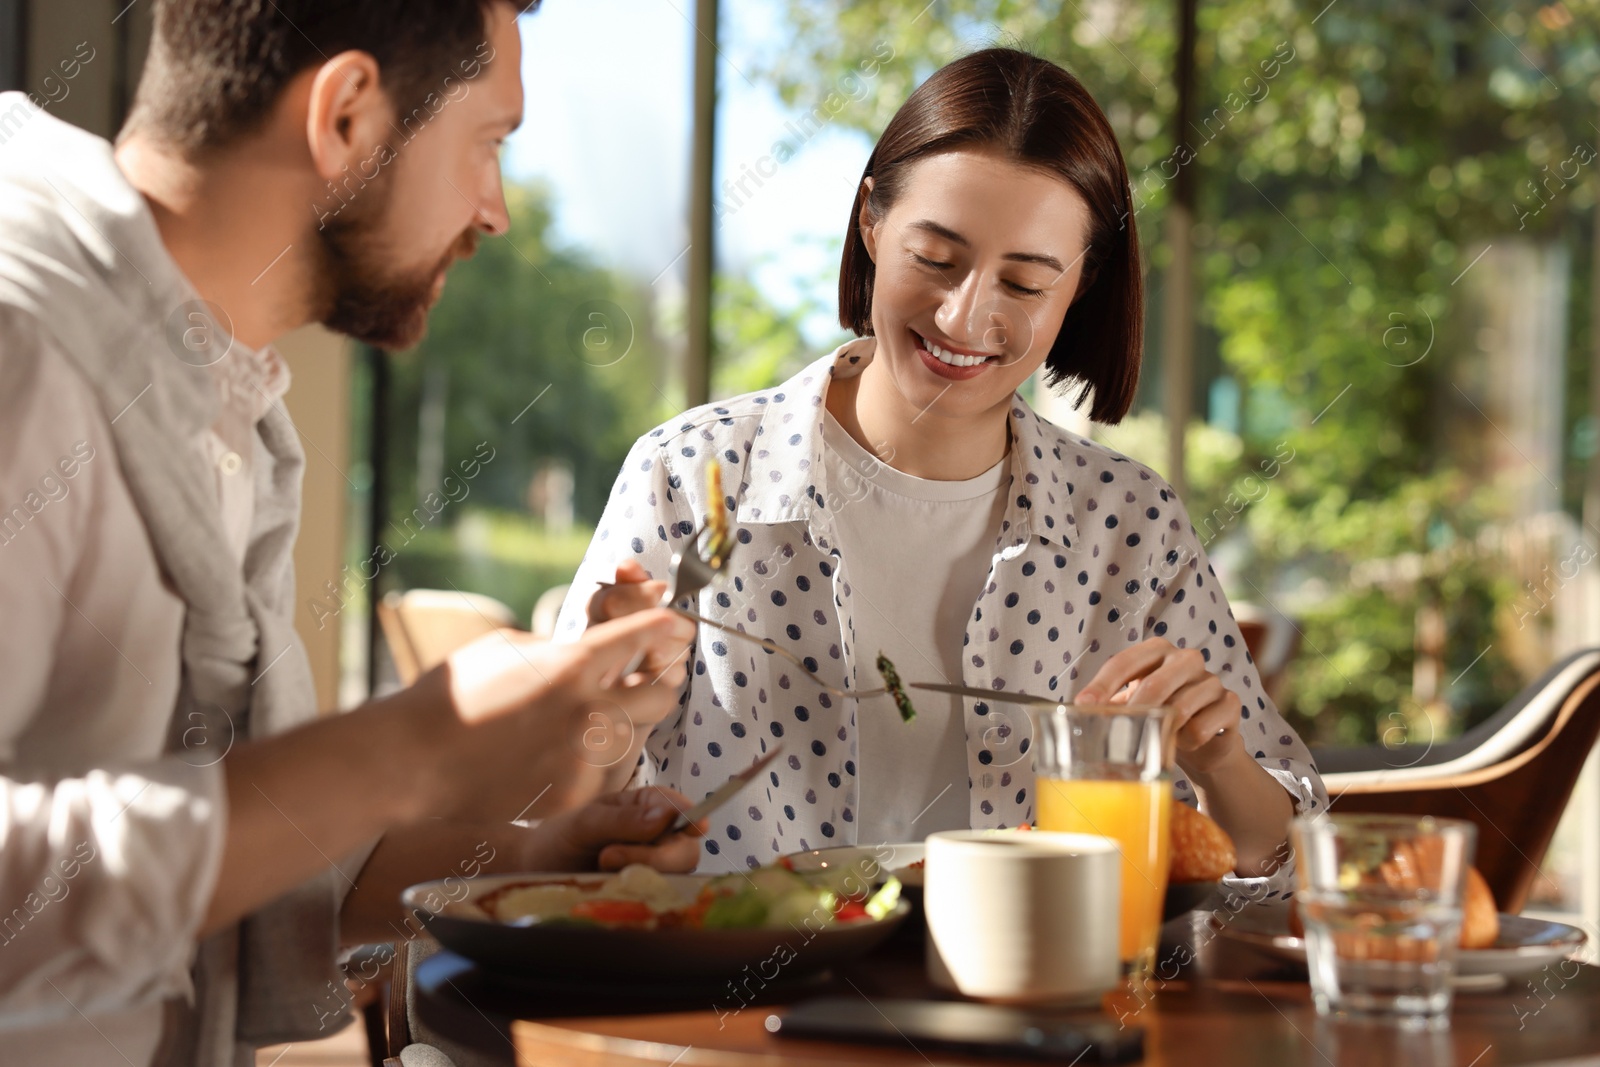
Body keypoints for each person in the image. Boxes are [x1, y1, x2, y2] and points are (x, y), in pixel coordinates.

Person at [0, 1, 700, 1064]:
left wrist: (528, 858)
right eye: (488, 143)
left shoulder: (223, 407)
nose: (496, 208)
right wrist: (407, 746)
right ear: (345, 117)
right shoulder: (24, 342)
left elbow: (224, 860)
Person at [561, 48, 1327, 880]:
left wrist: (1219, 760)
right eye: (935, 258)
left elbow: (1280, 861)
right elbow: (551, 836)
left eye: (1026, 283)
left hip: (1040, 1001)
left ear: (1081, 286)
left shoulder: (1129, 523)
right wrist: (605, 719)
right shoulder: (689, 475)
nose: (966, 316)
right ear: (871, 224)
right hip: (733, 999)